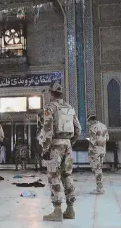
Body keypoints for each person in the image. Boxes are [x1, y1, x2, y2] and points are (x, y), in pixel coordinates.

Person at [39, 82, 81, 221]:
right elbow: (78, 130)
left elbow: (47, 129)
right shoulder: (70, 107)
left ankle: (57, 211)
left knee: (54, 176)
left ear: (51, 93)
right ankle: (71, 210)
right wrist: (69, 142)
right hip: (67, 146)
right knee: (67, 175)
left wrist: (45, 148)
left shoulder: (50, 108)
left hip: (55, 147)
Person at [86, 115, 109, 194]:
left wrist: (88, 139)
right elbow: (107, 138)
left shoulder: (93, 127)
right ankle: (100, 187)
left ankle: (99, 188)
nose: (89, 123)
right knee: (99, 169)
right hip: (102, 150)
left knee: (96, 169)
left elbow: (93, 141)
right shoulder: (104, 126)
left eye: (89, 121)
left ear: (92, 120)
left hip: (95, 151)